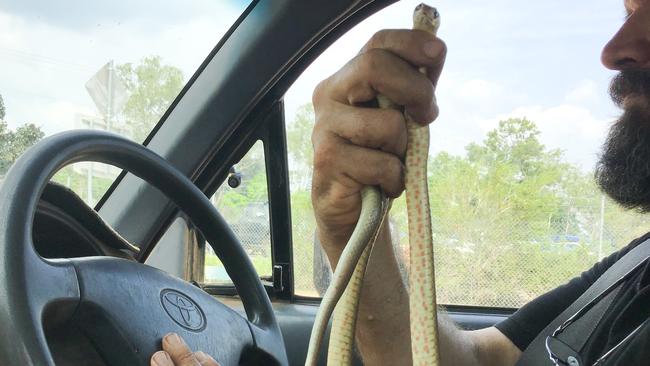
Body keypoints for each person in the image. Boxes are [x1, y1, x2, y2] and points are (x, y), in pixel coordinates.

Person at [153, 0, 650, 364]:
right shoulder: (635, 264)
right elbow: (481, 362)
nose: (616, 49)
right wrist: (348, 228)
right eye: (629, 11)